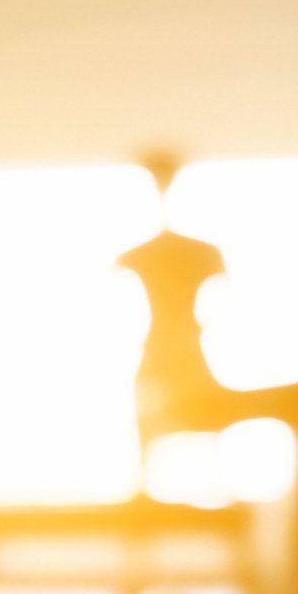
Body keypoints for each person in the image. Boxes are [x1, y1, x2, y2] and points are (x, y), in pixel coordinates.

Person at [117, 152, 231, 442]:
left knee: (208, 417)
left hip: (183, 344)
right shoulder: (141, 255)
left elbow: (224, 299)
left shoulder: (201, 252)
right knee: (149, 416)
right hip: (162, 344)